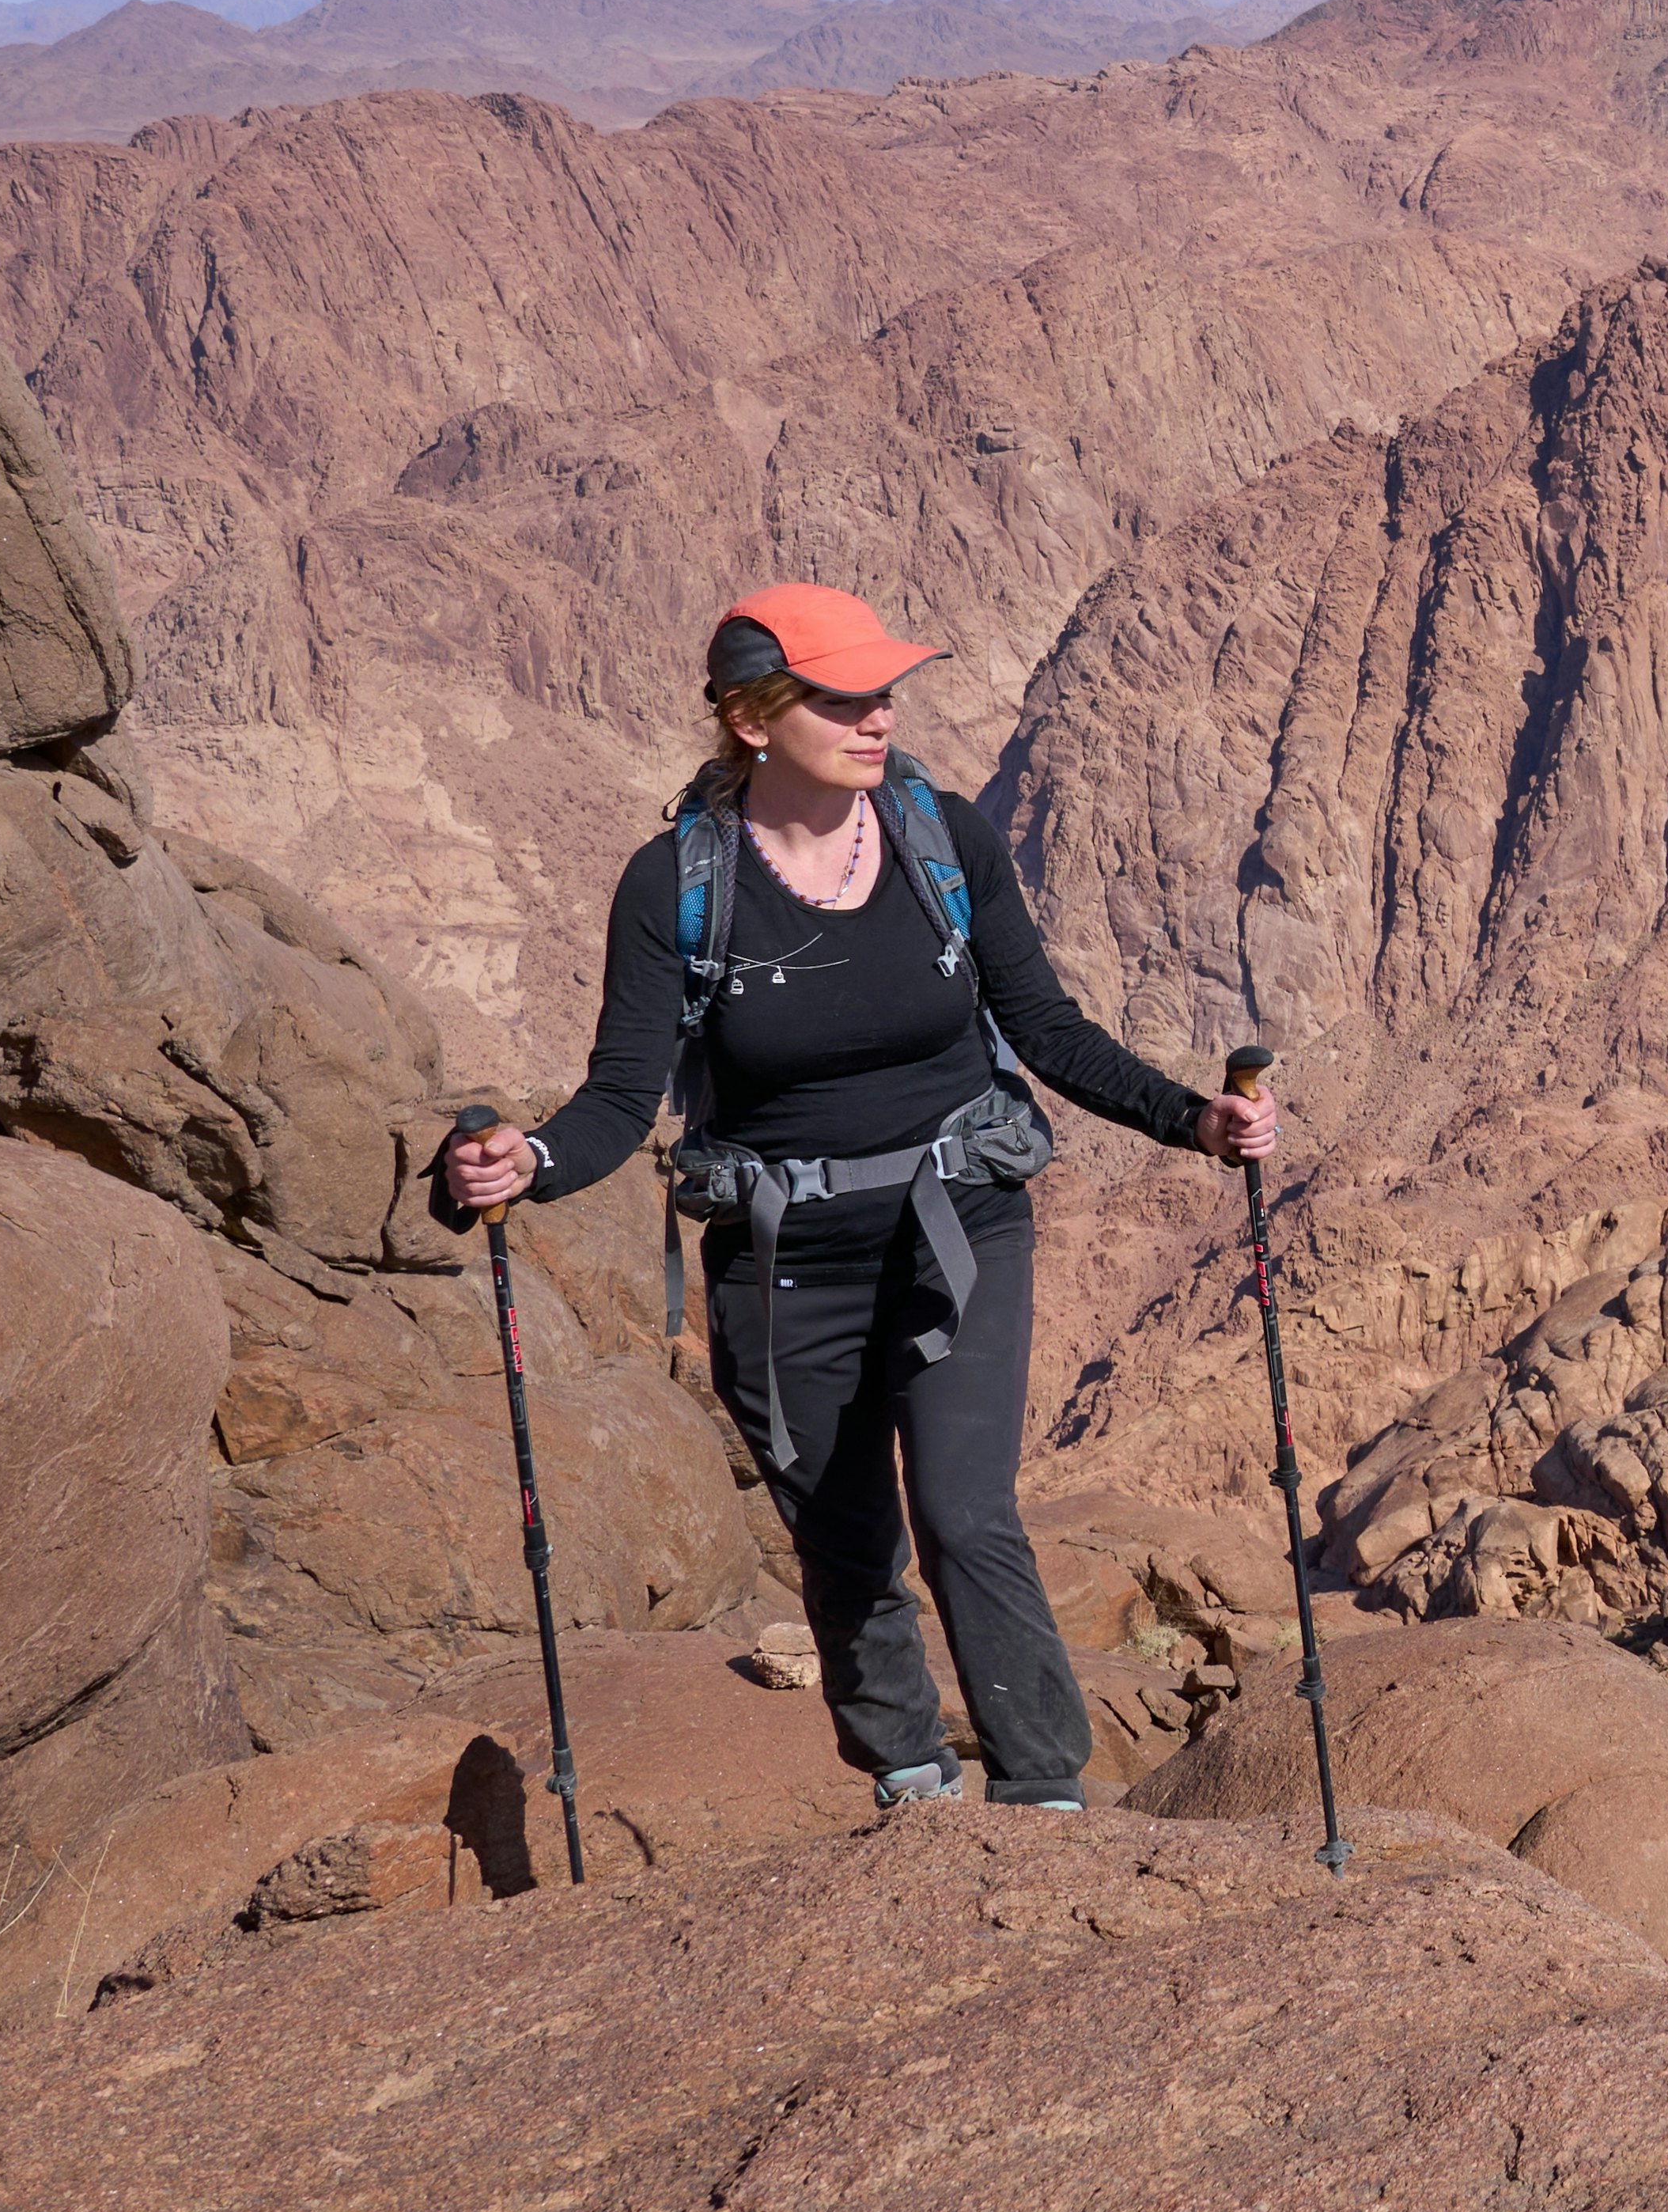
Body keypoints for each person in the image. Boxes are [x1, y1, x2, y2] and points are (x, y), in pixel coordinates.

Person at [436, 581, 1271, 1810]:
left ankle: (1045, 1795)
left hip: (958, 1224)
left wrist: (1197, 1122)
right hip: (783, 1260)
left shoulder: (943, 840)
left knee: (964, 1514)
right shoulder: (677, 884)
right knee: (843, 1540)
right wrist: (530, 1164)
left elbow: (1044, 1025)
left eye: (884, 692)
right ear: (755, 718)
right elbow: (623, 1095)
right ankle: (910, 1781)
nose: (877, 717)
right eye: (842, 698)